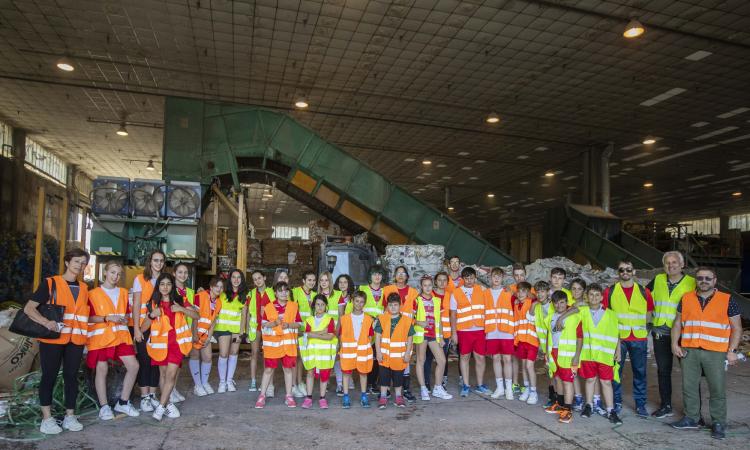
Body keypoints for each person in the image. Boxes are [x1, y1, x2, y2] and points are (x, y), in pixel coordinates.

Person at [670, 267, 742, 440]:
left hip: (715, 352)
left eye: (708, 278)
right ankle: (691, 418)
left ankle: (718, 422)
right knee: (689, 387)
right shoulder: (686, 298)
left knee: (716, 388)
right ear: (696, 280)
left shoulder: (727, 300)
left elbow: (737, 328)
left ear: (715, 280)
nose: (704, 281)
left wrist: (732, 351)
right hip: (690, 350)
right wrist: (674, 343)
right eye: (700, 278)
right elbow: (678, 323)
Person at [26, 248, 90, 434]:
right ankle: (47, 419)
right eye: (77, 261)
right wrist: (46, 322)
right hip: (53, 339)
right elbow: (30, 308)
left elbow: (84, 315)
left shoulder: (85, 288)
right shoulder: (50, 283)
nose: (80, 265)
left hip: (75, 340)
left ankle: (70, 416)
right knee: (49, 377)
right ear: (67, 262)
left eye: (83, 262)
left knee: (71, 377)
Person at [140, 273, 198, 421]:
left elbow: (197, 315)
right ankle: (167, 403)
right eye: (162, 284)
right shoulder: (152, 303)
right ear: (158, 286)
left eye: (168, 284)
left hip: (177, 344)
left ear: (172, 286)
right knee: (164, 375)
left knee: (171, 375)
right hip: (161, 346)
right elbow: (143, 327)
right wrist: (152, 315)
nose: (165, 287)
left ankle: (160, 407)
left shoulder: (180, 300)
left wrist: (181, 309)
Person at [87, 261, 140, 420]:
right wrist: (107, 317)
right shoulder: (93, 293)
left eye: (118, 274)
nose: (115, 276)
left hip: (121, 336)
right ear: (105, 272)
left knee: (134, 366)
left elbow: (127, 314)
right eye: (112, 273)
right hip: (102, 337)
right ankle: (104, 407)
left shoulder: (124, 292)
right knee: (101, 369)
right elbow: (88, 317)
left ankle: (123, 402)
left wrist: (125, 319)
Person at [603, 259, 654, 417]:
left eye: (628, 269)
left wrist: (647, 334)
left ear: (634, 272)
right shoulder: (610, 292)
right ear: (618, 273)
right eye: (621, 270)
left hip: (639, 338)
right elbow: (606, 315)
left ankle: (640, 404)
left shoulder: (644, 291)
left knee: (640, 372)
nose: (625, 272)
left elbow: (649, 313)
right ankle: (616, 401)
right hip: (618, 339)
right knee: (616, 371)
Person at [647, 251, 696, 419]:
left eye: (674, 262)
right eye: (667, 263)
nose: (671, 265)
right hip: (660, 332)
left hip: (684, 334)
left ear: (682, 265)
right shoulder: (658, 280)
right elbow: (644, 298)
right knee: (663, 371)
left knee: (690, 373)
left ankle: (693, 412)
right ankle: (666, 405)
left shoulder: (692, 283)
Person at [578, 284, 622, 425]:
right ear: (587, 297)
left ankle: (611, 410)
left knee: (606, 382)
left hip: (604, 355)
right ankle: (589, 405)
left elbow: (616, 334)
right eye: (591, 295)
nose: (594, 297)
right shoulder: (581, 312)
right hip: (588, 354)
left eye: (597, 295)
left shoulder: (610, 314)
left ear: (602, 297)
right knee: (590, 380)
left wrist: (618, 351)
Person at [255, 281, 303, 409]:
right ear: (275, 293)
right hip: (273, 346)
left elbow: (299, 324)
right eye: (280, 291)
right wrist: (275, 323)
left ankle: (289, 396)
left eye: (286, 291)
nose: (283, 293)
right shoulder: (269, 307)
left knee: (288, 370)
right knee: (268, 370)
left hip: (288, 345)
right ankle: (262, 396)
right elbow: (263, 325)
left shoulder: (293, 306)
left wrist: (289, 325)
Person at [131, 250, 165, 412]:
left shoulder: (165, 281)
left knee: (156, 361)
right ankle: (144, 396)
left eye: (161, 261)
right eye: (156, 260)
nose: (158, 263)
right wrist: (137, 329)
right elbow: (137, 304)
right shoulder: (140, 279)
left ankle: (152, 394)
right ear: (150, 262)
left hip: (160, 327)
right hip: (144, 326)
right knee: (144, 360)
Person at [544, 291, 582, 424]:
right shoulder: (551, 317)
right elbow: (549, 336)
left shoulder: (574, 317)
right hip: (554, 353)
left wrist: (577, 357)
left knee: (567, 382)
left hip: (567, 354)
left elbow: (579, 338)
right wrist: (547, 354)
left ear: (566, 303)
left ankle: (568, 409)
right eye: (556, 303)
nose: (559, 305)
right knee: (558, 378)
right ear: (553, 304)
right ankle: (559, 404)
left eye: (562, 302)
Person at [382, 266, 419, 402]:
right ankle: (386, 390)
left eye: (403, 273)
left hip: (405, 331)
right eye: (398, 273)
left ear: (407, 276)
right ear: (394, 275)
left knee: (405, 359)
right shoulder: (387, 290)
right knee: (388, 360)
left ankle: (406, 390)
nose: (401, 275)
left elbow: (415, 312)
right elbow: (384, 310)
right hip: (389, 331)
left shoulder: (413, 292)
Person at [414, 275, 453, 401]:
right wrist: (420, 323)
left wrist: (441, 336)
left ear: (432, 286)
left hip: (433, 334)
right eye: (425, 285)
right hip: (421, 334)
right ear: (421, 286)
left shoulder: (436, 300)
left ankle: (437, 387)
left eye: (429, 285)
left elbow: (439, 320)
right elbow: (409, 318)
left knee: (441, 360)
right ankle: (423, 388)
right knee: (421, 360)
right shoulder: (417, 300)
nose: (427, 287)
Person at [449, 267, 487, 398]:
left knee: (480, 357)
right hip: (464, 331)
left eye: (471, 278)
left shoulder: (482, 290)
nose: (469, 280)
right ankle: (465, 385)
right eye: (466, 278)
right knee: (464, 357)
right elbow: (453, 315)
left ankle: (480, 385)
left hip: (480, 329)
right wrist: (454, 333)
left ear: (475, 278)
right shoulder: (456, 293)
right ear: (462, 279)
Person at [375, 293, 415, 409]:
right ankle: (383, 397)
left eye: (395, 305)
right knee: (383, 378)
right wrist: (378, 352)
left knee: (398, 378)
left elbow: (410, 337)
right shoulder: (382, 319)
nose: (393, 307)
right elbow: (377, 336)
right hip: (385, 356)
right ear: (387, 306)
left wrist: (408, 353)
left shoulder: (407, 320)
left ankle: (398, 397)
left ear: (400, 306)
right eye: (390, 305)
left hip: (399, 357)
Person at [352, 264, 386, 393]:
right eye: (374, 274)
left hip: (379, 331)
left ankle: (373, 383)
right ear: (370, 276)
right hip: (364, 329)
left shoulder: (385, 291)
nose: (377, 277)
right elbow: (353, 309)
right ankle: (364, 384)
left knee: (377, 358)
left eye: (379, 274)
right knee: (365, 357)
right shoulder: (362, 289)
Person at [339, 290, 374, 408]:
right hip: (348, 352)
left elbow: (370, 335)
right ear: (352, 301)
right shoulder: (344, 318)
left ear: (364, 303)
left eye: (362, 302)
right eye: (357, 301)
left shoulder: (369, 319)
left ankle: (364, 396)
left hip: (363, 352)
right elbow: (340, 335)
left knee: (363, 374)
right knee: (346, 374)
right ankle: (345, 396)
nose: (359, 304)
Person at [300, 295, 337, 409]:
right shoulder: (309, 320)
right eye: (317, 304)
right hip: (312, 353)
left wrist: (313, 334)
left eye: (322, 304)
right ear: (314, 306)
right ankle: (309, 397)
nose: (320, 307)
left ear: (326, 306)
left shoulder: (329, 319)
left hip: (324, 354)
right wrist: (322, 332)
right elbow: (306, 335)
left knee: (324, 375)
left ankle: (322, 398)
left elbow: (330, 336)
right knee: (310, 373)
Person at [215, 269, 248, 393]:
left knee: (233, 354)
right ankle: (222, 382)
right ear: (230, 279)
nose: (236, 280)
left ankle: (229, 380)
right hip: (223, 329)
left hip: (236, 330)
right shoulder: (222, 293)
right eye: (233, 277)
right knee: (223, 354)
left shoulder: (244, 296)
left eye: (238, 277)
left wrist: (241, 333)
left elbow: (244, 316)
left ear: (242, 280)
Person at [189, 276, 223, 396]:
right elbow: (194, 316)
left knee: (207, 358)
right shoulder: (200, 296)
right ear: (211, 287)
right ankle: (197, 385)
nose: (219, 289)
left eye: (221, 287)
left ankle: (204, 383)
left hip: (205, 334)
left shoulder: (219, 302)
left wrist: (209, 336)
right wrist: (194, 334)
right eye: (216, 286)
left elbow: (213, 321)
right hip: (195, 332)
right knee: (194, 356)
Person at [483, 267, 513, 399]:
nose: (496, 279)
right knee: (495, 358)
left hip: (506, 330)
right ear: (490, 278)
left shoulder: (509, 292)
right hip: (492, 330)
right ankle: (500, 387)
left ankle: (509, 389)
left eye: (498, 276)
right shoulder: (486, 293)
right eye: (494, 276)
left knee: (507, 359)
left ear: (503, 278)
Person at [247, 270, 275, 393]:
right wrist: (246, 329)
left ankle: (268, 382)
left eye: (259, 278)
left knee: (267, 355)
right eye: (255, 279)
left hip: (268, 326)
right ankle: (253, 381)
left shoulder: (272, 292)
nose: (257, 281)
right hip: (255, 327)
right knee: (254, 353)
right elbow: (248, 312)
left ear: (264, 278)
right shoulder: (251, 294)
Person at [423, 271, 451, 390]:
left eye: (444, 280)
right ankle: (427, 382)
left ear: (447, 282)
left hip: (444, 333)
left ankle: (440, 384)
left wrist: (450, 334)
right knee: (428, 358)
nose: (442, 282)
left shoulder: (450, 295)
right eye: (439, 280)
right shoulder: (430, 294)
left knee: (442, 359)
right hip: (431, 332)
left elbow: (452, 314)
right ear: (435, 282)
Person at [512, 282, 539, 405]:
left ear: (529, 292)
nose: (520, 293)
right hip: (521, 340)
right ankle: (527, 388)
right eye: (519, 291)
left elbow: (537, 297)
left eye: (524, 291)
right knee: (523, 366)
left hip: (531, 340)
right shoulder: (516, 304)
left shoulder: (532, 303)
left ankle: (534, 392)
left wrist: (532, 297)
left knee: (529, 366)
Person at [291, 271, 317, 397]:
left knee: (303, 358)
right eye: (309, 280)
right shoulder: (295, 292)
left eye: (313, 280)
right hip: (297, 330)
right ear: (303, 281)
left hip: (308, 332)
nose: (311, 282)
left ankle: (300, 382)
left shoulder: (315, 294)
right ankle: (293, 385)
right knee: (294, 358)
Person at [171, 262, 193, 404]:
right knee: (171, 364)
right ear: (174, 273)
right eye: (180, 272)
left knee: (179, 363)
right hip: (172, 330)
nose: (183, 275)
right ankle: (169, 390)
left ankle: (173, 388)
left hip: (184, 331)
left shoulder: (190, 292)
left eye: (185, 272)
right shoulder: (170, 289)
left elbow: (195, 312)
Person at [318, 272, 343, 395]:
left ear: (330, 282)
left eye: (326, 280)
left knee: (337, 357)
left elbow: (341, 317)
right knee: (324, 357)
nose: (324, 282)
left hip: (335, 333)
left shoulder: (338, 295)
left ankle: (340, 383)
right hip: (321, 334)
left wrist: (336, 334)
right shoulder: (316, 296)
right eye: (321, 280)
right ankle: (325, 382)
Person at [530, 280, 555, 407]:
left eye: (542, 292)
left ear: (548, 292)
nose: (540, 295)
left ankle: (561, 398)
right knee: (551, 373)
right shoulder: (537, 307)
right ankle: (553, 397)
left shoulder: (554, 306)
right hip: (546, 347)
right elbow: (530, 318)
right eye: (537, 292)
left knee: (557, 373)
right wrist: (533, 305)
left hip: (556, 345)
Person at [569, 278, 587, 411]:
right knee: (573, 372)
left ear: (584, 291)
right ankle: (578, 397)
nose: (576, 291)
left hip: (586, 342)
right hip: (573, 341)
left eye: (579, 289)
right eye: (574, 288)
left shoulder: (586, 305)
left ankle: (593, 401)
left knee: (589, 374)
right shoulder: (570, 304)